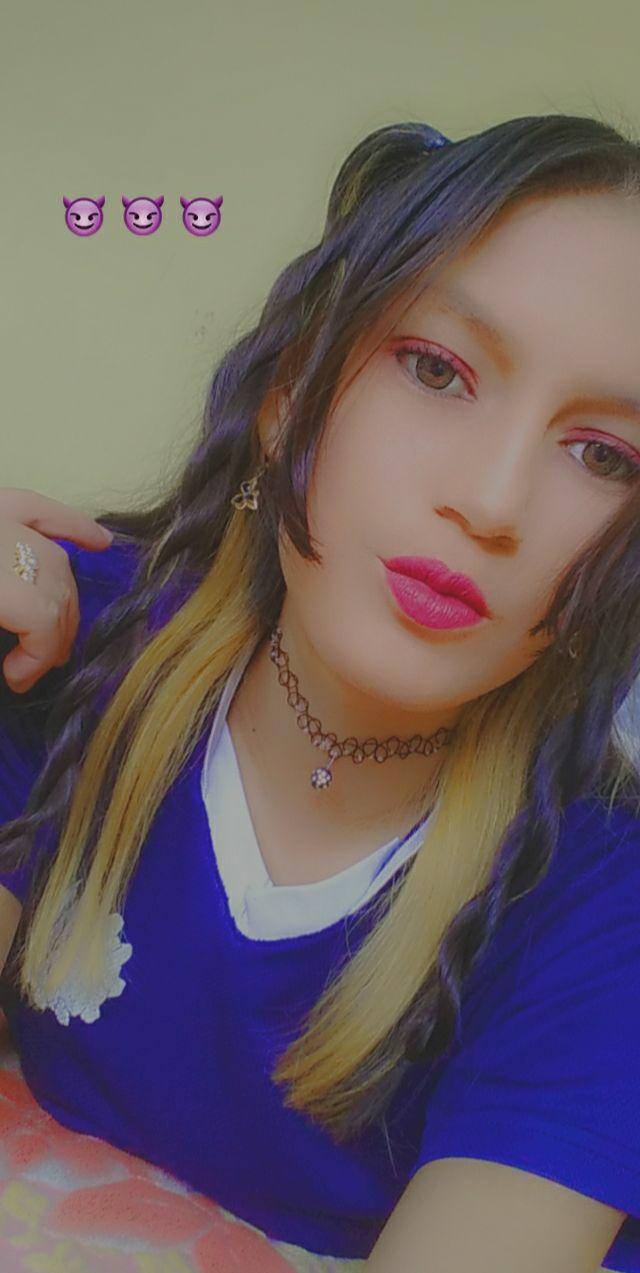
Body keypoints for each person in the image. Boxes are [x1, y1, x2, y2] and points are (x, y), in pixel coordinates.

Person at [0, 113, 639, 1273]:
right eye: (437, 369)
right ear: (288, 392)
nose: (491, 500)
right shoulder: (71, 650)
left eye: (603, 455)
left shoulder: (600, 896)